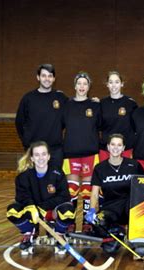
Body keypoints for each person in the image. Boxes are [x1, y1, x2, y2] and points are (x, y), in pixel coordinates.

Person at [6, 141, 75, 255]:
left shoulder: (57, 173)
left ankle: (59, 234)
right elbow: (21, 196)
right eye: (37, 155)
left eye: (43, 154)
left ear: (48, 156)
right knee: (12, 211)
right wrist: (31, 206)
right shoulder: (23, 176)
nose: (40, 158)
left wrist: (43, 207)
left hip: (51, 211)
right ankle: (29, 232)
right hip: (33, 212)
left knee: (68, 212)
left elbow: (64, 196)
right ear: (32, 158)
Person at [86, 134, 144, 253]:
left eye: (119, 145)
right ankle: (118, 233)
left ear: (123, 148)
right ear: (108, 147)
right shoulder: (99, 168)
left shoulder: (133, 165)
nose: (115, 148)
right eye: (113, 144)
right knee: (99, 223)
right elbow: (94, 194)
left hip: (130, 206)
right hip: (111, 208)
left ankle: (137, 237)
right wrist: (92, 210)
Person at [62, 72, 102, 230]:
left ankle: (86, 224)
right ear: (75, 85)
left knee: (87, 191)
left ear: (89, 86)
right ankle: (69, 223)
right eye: (79, 83)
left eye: (85, 84)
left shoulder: (95, 106)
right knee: (71, 190)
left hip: (90, 154)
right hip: (71, 154)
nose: (82, 87)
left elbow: (101, 127)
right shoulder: (66, 105)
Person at [15, 64, 68, 168]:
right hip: (34, 150)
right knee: (34, 183)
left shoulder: (61, 98)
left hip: (55, 151)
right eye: (44, 76)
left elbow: (74, 111)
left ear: (54, 78)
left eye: (50, 76)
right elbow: (19, 122)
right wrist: (26, 142)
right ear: (38, 77)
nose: (47, 79)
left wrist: (92, 103)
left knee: (53, 183)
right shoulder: (28, 98)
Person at [99, 71, 137, 162]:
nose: (114, 85)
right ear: (107, 84)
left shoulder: (130, 103)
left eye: (117, 82)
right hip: (106, 149)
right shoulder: (101, 103)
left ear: (122, 84)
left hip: (126, 149)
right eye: (111, 82)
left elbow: (136, 127)